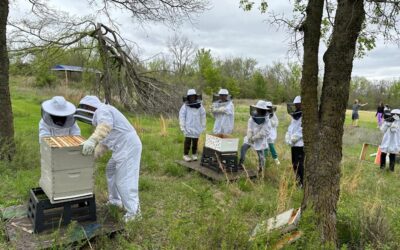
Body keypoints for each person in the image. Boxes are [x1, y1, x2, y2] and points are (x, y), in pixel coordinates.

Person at [75, 95, 142, 223]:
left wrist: (91, 140)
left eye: (85, 108)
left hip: (128, 147)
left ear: (89, 107)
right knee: (110, 170)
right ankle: (115, 201)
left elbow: (104, 127)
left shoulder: (103, 110)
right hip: (121, 148)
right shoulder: (103, 115)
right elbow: (104, 144)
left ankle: (134, 213)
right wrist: (90, 158)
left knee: (125, 180)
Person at [239, 100, 271, 173]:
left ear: (263, 110)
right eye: (258, 109)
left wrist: (255, 137)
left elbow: (264, 131)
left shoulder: (267, 119)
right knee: (243, 147)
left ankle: (261, 170)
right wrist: (249, 134)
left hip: (260, 139)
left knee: (260, 155)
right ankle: (240, 164)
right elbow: (250, 127)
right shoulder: (253, 116)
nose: (258, 110)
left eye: (260, 109)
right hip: (251, 137)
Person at [179, 89, 206, 162]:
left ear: (195, 97)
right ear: (188, 97)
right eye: (190, 97)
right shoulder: (185, 106)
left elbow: (203, 115)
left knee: (195, 142)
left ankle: (194, 154)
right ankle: (185, 155)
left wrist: (203, 126)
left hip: (197, 127)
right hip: (188, 127)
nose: (192, 98)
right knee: (187, 141)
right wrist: (182, 126)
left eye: (193, 96)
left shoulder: (200, 106)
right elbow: (182, 116)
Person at [285, 96, 304, 187]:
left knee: (300, 164)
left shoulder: (305, 116)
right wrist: (288, 136)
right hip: (294, 145)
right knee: (294, 164)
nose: (297, 107)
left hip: (300, 145)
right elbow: (291, 128)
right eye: (296, 105)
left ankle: (302, 183)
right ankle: (297, 182)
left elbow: (302, 130)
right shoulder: (295, 115)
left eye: (298, 105)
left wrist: (293, 139)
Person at [264, 101, 280, 165]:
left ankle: (276, 159)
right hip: (264, 133)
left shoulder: (273, 114)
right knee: (265, 146)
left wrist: (271, 121)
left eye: (269, 107)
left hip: (271, 134)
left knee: (271, 146)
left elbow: (276, 123)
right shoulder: (263, 113)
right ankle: (265, 159)